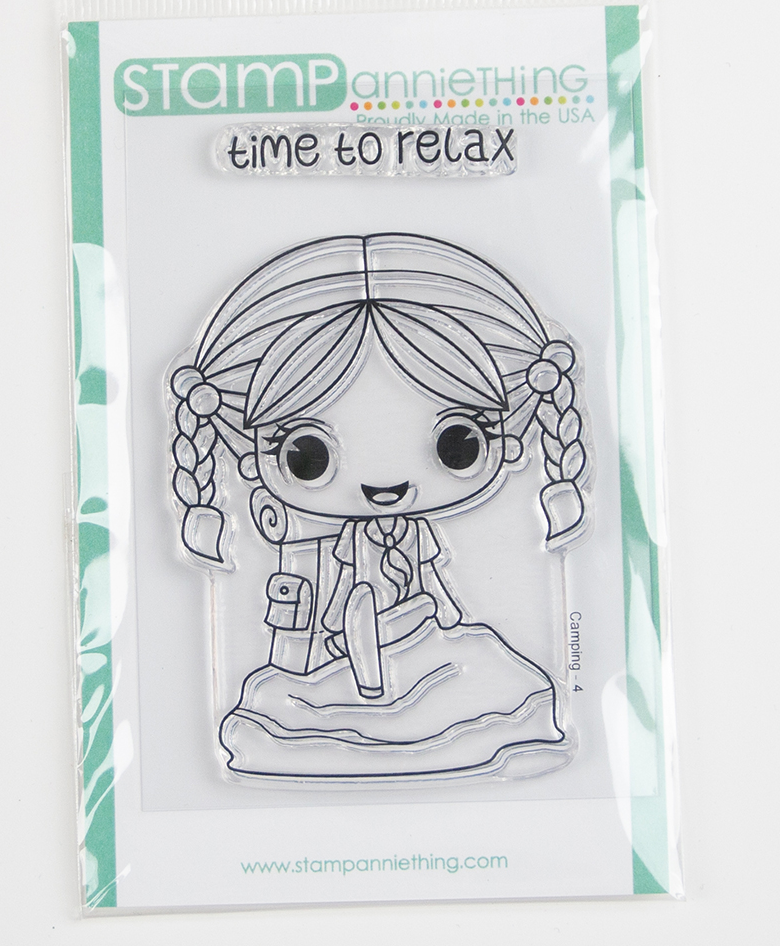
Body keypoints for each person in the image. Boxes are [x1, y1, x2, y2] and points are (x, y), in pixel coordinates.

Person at [169, 233, 590, 780]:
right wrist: (339, 631)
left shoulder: (417, 534)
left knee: (478, 668)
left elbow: (431, 575)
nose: (384, 486)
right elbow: (347, 588)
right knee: (361, 610)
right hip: (364, 628)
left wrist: (448, 616)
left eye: (456, 445)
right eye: (308, 457)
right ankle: (368, 687)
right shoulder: (349, 542)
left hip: (419, 625)